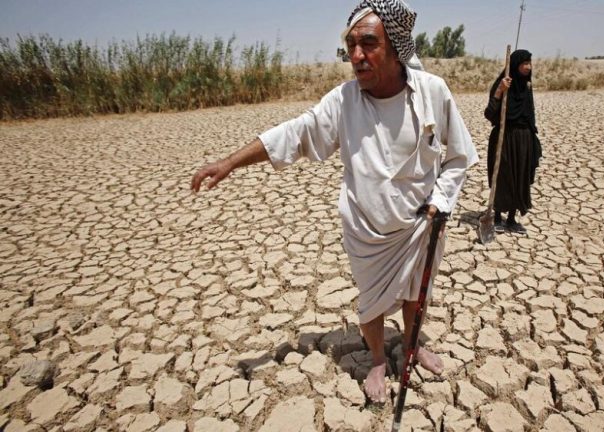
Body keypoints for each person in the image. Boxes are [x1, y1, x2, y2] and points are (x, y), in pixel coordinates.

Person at [190, 0, 477, 403]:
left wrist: (442, 200)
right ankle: (378, 359)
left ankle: (413, 347)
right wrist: (229, 163)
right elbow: (296, 133)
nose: (356, 56)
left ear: (395, 47)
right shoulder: (344, 101)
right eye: (351, 45)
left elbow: (460, 156)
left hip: (419, 224)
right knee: (372, 302)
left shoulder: (433, 92)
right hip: (366, 228)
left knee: (416, 294)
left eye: (368, 44)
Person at [483, 49, 541, 234]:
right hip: (505, 137)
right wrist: (500, 91)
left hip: (524, 139)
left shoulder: (527, 86)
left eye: (529, 63)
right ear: (515, 65)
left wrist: (532, 140)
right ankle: (498, 216)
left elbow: (530, 114)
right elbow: (490, 113)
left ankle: (511, 219)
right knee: (504, 176)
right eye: (524, 63)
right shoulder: (502, 85)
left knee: (520, 178)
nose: (528, 67)